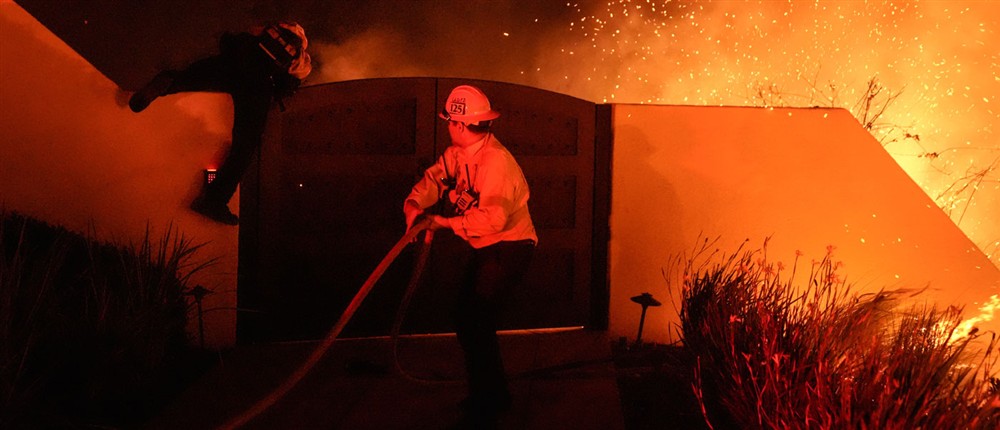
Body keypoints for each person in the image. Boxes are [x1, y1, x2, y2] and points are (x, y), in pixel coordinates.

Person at [403, 85, 537, 426]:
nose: (448, 126)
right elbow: (436, 178)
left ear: (461, 125)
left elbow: (493, 219)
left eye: (450, 121)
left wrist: (441, 222)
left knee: (475, 321)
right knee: (468, 319)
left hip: (509, 247)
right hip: (488, 247)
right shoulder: (460, 153)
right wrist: (415, 203)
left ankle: (490, 401)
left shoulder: (496, 162)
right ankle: (490, 394)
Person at [128, 21, 312, 225]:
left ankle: (168, 82)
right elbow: (290, 84)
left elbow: (233, 40)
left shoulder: (269, 29)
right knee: (244, 147)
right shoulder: (301, 57)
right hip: (257, 86)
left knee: (194, 76)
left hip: (234, 64)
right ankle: (213, 202)